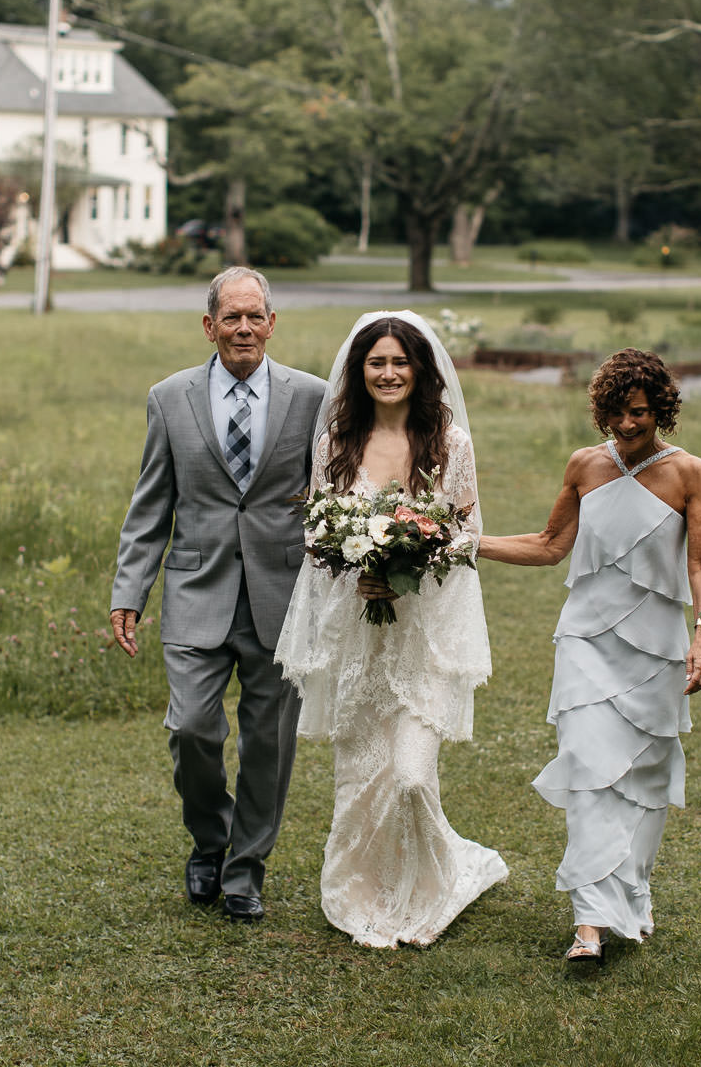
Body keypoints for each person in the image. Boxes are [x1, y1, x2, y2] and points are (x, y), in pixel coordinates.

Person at [478, 348, 701, 965]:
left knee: (641, 778)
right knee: (588, 768)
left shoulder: (690, 473)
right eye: (615, 412)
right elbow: (548, 544)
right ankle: (589, 923)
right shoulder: (585, 466)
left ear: (660, 409)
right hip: (586, 639)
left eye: (638, 412)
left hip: (656, 647)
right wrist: (463, 541)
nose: (627, 424)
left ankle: (631, 896)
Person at [274, 311, 509, 948]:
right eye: (375, 362)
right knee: (360, 774)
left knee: (408, 774)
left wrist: (407, 565)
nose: (387, 373)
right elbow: (317, 531)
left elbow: (461, 538)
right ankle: (360, 890)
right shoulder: (336, 443)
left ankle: (437, 880)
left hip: (421, 632)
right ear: (359, 370)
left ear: (420, 370)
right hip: (357, 630)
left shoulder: (450, 444)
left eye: (399, 362)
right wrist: (360, 566)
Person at [109, 267, 328, 924]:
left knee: (270, 744)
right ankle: (210, 841)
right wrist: (130, 589)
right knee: (193, 728)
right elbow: (152, 505)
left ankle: (244, 872)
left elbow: (333, 499)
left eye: (254, 316)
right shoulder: (169, 398)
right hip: (195, 590)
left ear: (271, 323)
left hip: (281, 598)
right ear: (209, 326)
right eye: (230, 318)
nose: (243, 328)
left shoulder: (312, 397)